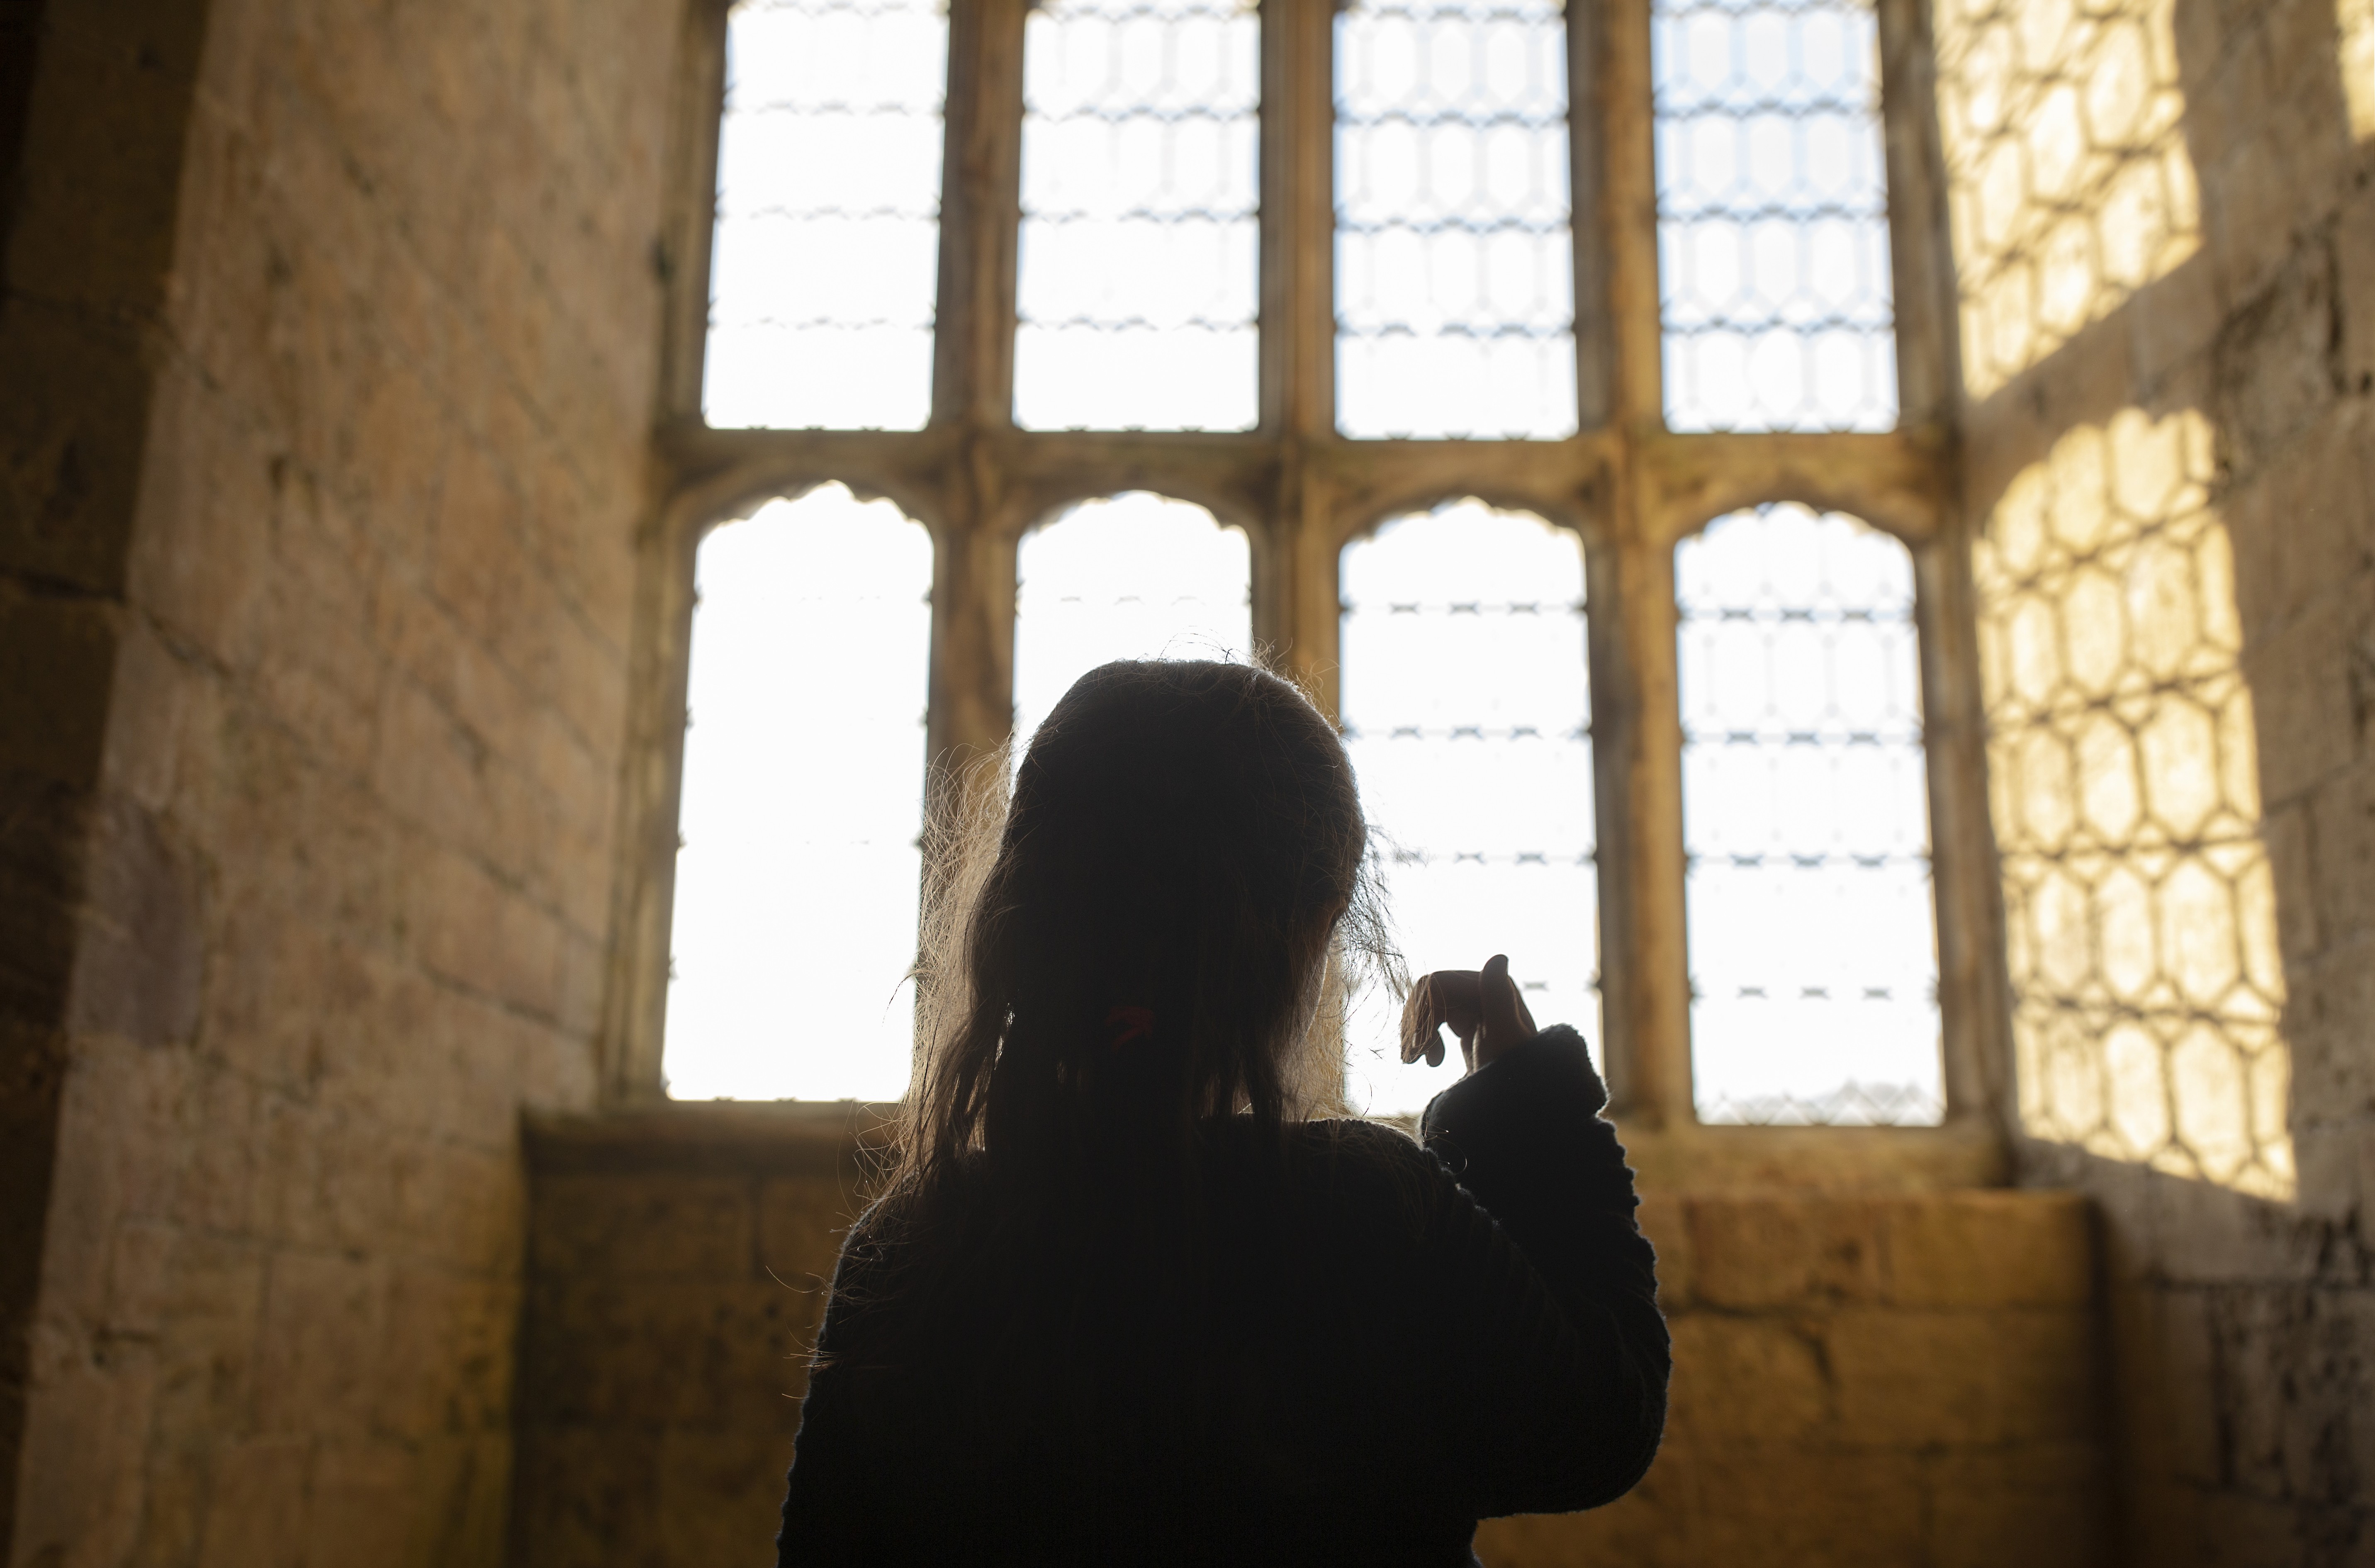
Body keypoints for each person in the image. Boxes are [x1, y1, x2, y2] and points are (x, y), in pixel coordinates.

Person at [776, 660, 1667, 1567]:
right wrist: (1519, 1111)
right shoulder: (1361, 1214)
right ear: (1311, 934)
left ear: (1028, 918)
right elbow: (1600, 1421)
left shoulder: (911, 1248)